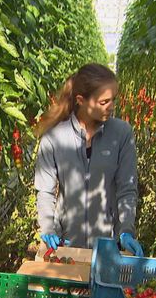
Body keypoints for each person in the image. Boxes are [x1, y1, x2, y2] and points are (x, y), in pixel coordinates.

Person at [33, 63, 143, 257]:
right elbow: (45, 191)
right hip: (65, 245)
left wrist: (126, 230)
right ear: (81, 100)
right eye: (104, 102)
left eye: (113, 100)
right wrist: (49, 227)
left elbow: (127, 188)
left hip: (107, 247)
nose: (111, 107)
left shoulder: (121, 134)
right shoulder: (54, 138)